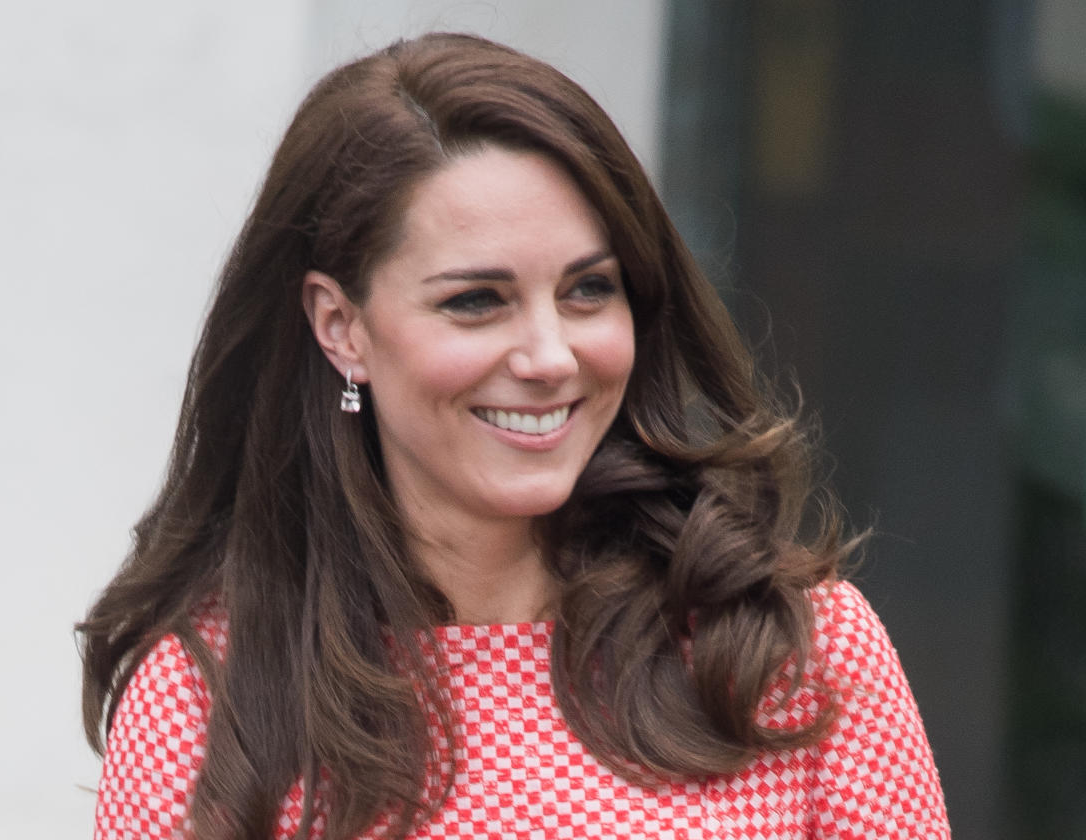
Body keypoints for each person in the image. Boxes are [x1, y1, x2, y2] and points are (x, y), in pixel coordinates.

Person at [79, 32, 949, 840]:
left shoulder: (790, 651)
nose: (548, 355)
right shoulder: (207, 703)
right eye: (475, 301)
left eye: (586, 291)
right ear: (340, 325)